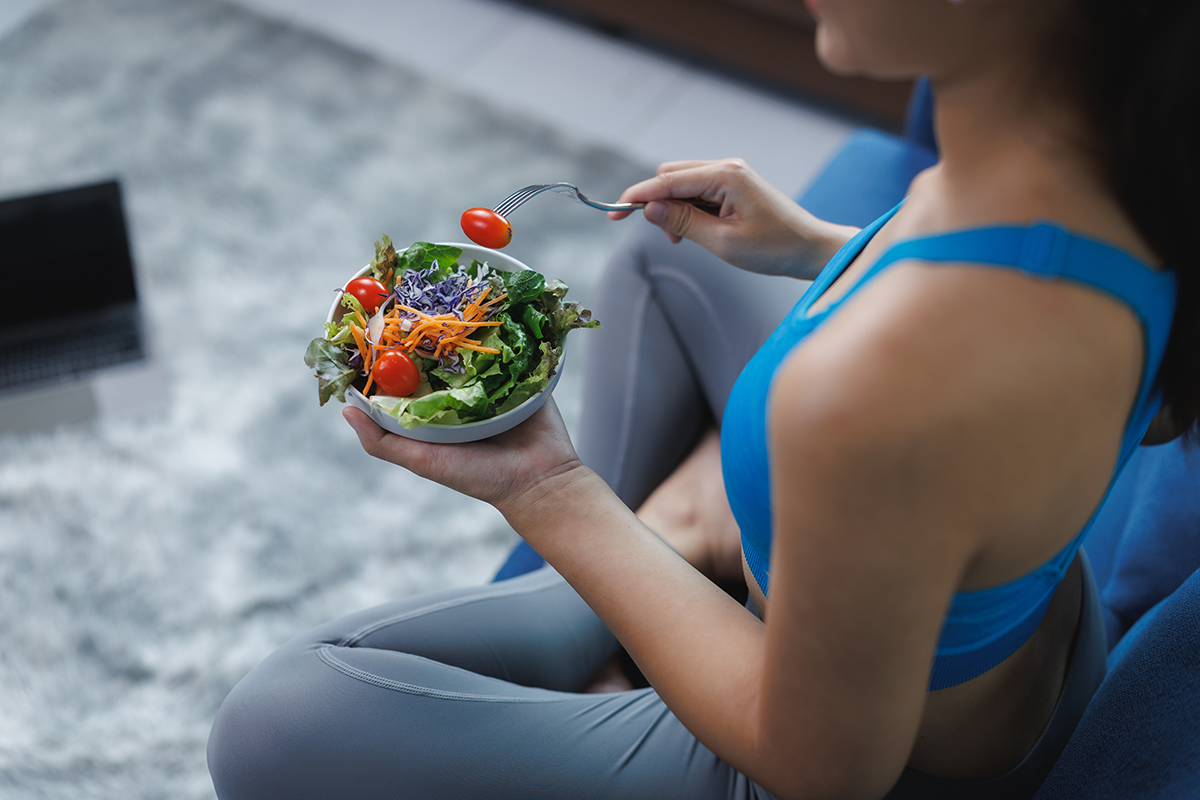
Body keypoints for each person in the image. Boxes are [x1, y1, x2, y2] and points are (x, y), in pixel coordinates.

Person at [207, 0, 1199, 797]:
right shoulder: (1116, 153)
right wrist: (826, 250)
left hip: (868, 753)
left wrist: (549, 491)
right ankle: (677, 539)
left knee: (271, 722)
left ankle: (639, 578)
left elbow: (823, 770)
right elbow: (1089, 383)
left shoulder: (878, 391)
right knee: (660, 249)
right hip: (1027, 650)